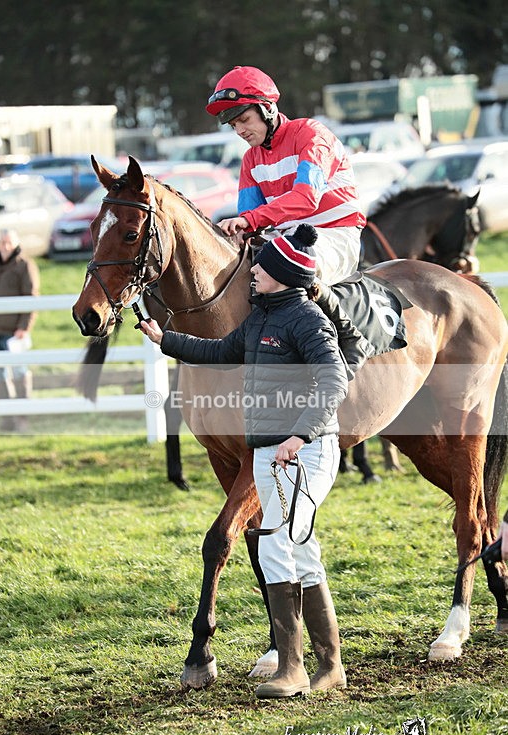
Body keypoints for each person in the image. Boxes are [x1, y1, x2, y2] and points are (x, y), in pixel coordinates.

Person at [141, 223, 349, 699]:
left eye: (261, 267)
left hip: (305, 452)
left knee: (277, 546)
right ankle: (329, 666)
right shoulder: (259, 320)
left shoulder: (308, 320)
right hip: (270, 454)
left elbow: (334, 379)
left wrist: (301, 433)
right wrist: (165, 339)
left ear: (283, 275)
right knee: (300, 551)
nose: (252, 270)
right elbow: (219, 351)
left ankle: (292, 668)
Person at [206, 65, 366, 285]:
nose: (240, 131)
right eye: (234, 125)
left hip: (335, 236)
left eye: (244, 119)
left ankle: (328, 309)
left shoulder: (312, 135)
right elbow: (250, 219)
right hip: (285, 239)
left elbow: (306, 198)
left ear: (267, 109)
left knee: (288, 262)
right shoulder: (250, 159)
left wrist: (248, 220)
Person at [0, 228, 39, 432]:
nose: (5, 246)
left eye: (9, 242)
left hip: (14, 333)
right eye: (2, 242)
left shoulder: (24, 265)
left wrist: (24, 327)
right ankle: (7, 419)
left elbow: (31, 298)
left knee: (19, 372)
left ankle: (22, 419)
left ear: (15, 243)